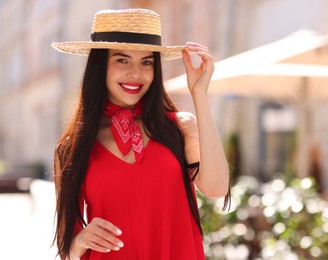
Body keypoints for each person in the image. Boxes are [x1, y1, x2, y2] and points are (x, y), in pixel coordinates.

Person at [52, 8, 230, 260]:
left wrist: (199, 94)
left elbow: (216, 188)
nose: (136, 73)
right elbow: (66, 250)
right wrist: (81, 239)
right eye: (122, 60)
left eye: (146, 62)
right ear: (100, 66)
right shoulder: (74, 147)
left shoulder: (179, 127)